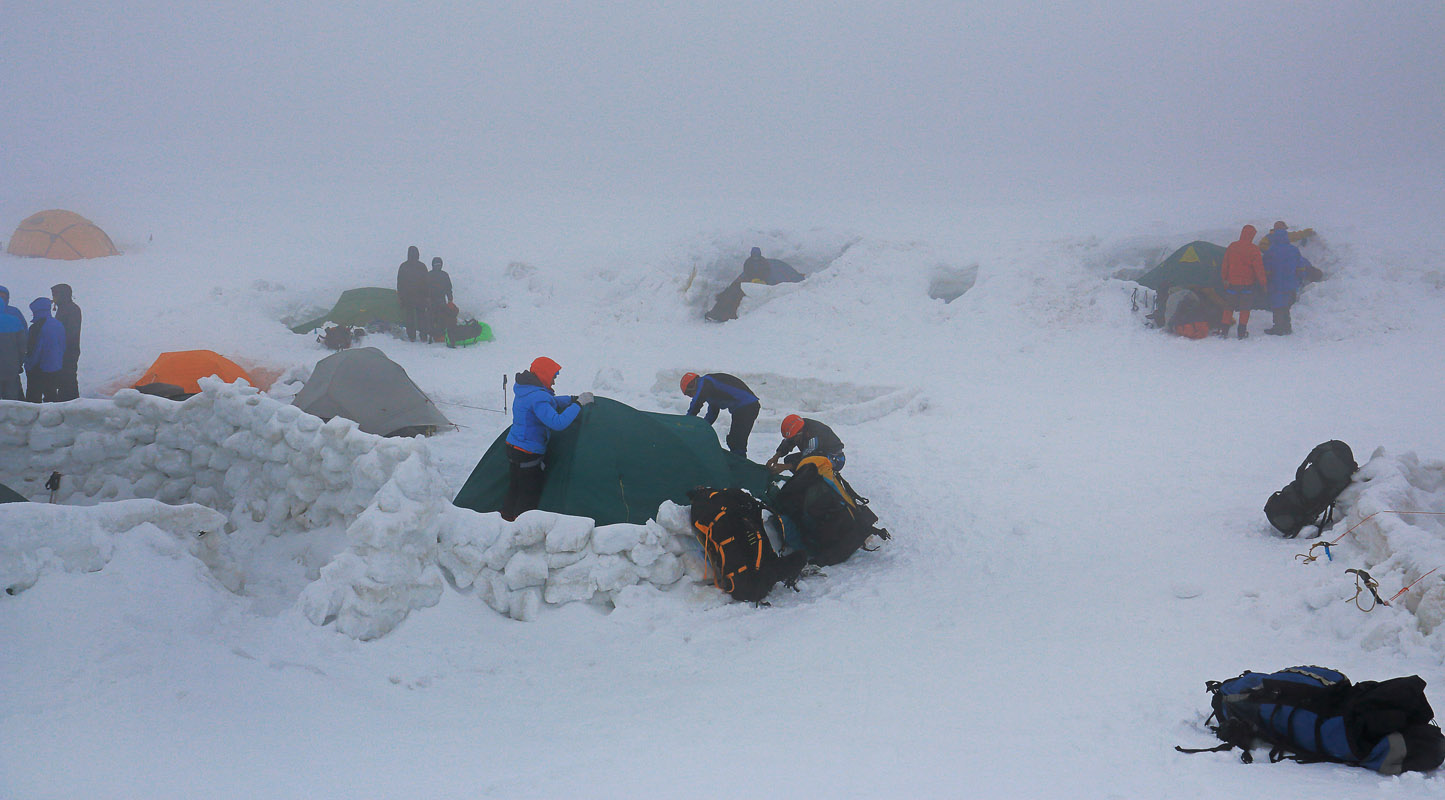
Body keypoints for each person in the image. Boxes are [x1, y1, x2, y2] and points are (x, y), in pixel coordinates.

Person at [502, 357, 592, 520]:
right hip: (527, 451)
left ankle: (506, 519)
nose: (554, 382)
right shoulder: (538, 397)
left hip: (513, 446)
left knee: (515, 487)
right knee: (529, 493)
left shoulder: (526, 389)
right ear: (544, 374)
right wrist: (578, 405)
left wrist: (571, 398)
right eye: (553, 377)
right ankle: (521, 529)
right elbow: (557, 423)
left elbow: (550, 401)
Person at [680, 371, 760, 456]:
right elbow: (712, 413)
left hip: (746, 406)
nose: (692, 396)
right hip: (746, 407)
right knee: (734, 441)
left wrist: (685, 425)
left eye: (690, 394)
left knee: (737, 441)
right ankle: (739, 462)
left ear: (692, 386)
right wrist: (702, 427)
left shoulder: (705, 382)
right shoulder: (711, 390)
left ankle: (740, 465)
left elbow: (696, 405)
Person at [1219, 224, 1266, 339]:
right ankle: (1241, 332)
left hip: (1231, 284)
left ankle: (1224, 331)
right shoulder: (1254, 249)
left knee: (1228, 308)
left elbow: (1225, 264)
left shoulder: (1232, 246)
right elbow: (1259, 269)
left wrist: (1224, 278)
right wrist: (1263, 283)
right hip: (1247, 285)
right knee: (1245, 309)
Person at [766, 414, 845, 473]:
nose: (791, 440)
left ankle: (814, 484)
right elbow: (788, 442)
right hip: (817, 454)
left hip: (835, 459)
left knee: (805, 467)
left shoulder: (813, 436)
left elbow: (808, 458)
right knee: (789, 460)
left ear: (799, 433)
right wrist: (776, 457)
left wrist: (785, 467)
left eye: (793, 438)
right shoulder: (800, 426)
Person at [1262, 221, 1303, 335]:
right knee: (1286, 305)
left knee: (1277, 306)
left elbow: (1266, 269)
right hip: (1290, 283)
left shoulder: (1271, 251)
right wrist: (1299, 280)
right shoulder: (1294, 250)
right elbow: (1300, 267)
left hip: (1276, 284)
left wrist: (1265, 281)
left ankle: (1279, 327)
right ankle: (1287, 326)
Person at [24, 297, 65, 402]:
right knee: (51, 396)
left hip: (39, 368)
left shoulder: (36, 327)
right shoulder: (58, 324)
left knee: (33, 399)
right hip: (55, 366)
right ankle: (53, 417)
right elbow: (62, 345)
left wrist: (28, 365)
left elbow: (34, 350)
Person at [50, 283, 82, 399]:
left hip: (68, 350)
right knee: (64, 378)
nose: (53, 298)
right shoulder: (64, 308)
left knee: (68, 378)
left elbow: (71, 333)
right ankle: (66, 400)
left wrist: (60, 346)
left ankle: (71, 402)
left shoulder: (71, 309)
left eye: (55, 295)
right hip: (63, 350)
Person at [396, 246, 429, 341]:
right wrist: (427, 296)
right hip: (421, 297)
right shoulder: (422, 266)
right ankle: (423, 336)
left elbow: (400, 283)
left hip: (408, 297)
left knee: (410, 317)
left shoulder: (403, 266)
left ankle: (411, 336)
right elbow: (426, 282)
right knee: (421, 317)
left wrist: (401, 296)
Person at [0, 286, 27, 400]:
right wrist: (19, 362)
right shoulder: (15, 315)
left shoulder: (15, 312)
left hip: (11, 364)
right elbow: (23, 341)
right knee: (12, 399)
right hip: (11, 365)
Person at [424, 256, 454, 343]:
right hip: (431, 300)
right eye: (436, 264)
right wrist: (427, 298)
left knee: (441, 318)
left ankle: (440, 335)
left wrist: (450, 299)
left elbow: (449, 288)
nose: (438, 266)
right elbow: (425, 288)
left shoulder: (444, 275)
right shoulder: (429, 275)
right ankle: (431, 335)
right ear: (432, 265)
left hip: (441, 299)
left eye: (439, 265)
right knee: (431, 318)